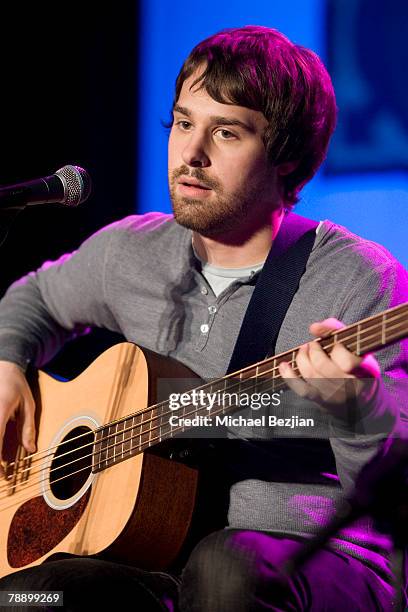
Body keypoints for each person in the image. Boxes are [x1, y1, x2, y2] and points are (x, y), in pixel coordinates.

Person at [0, 25, 407, 611]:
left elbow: (396, 490)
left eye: (226, 132)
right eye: (184, 123)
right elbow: (33, 298)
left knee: (226, 569)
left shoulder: (361, 279)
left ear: (286, 154)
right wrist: (10, 363)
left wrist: (357, 409)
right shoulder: (131, 252)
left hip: (322, 562)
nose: (191, 154)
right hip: (159, 556)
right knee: (26, 598)